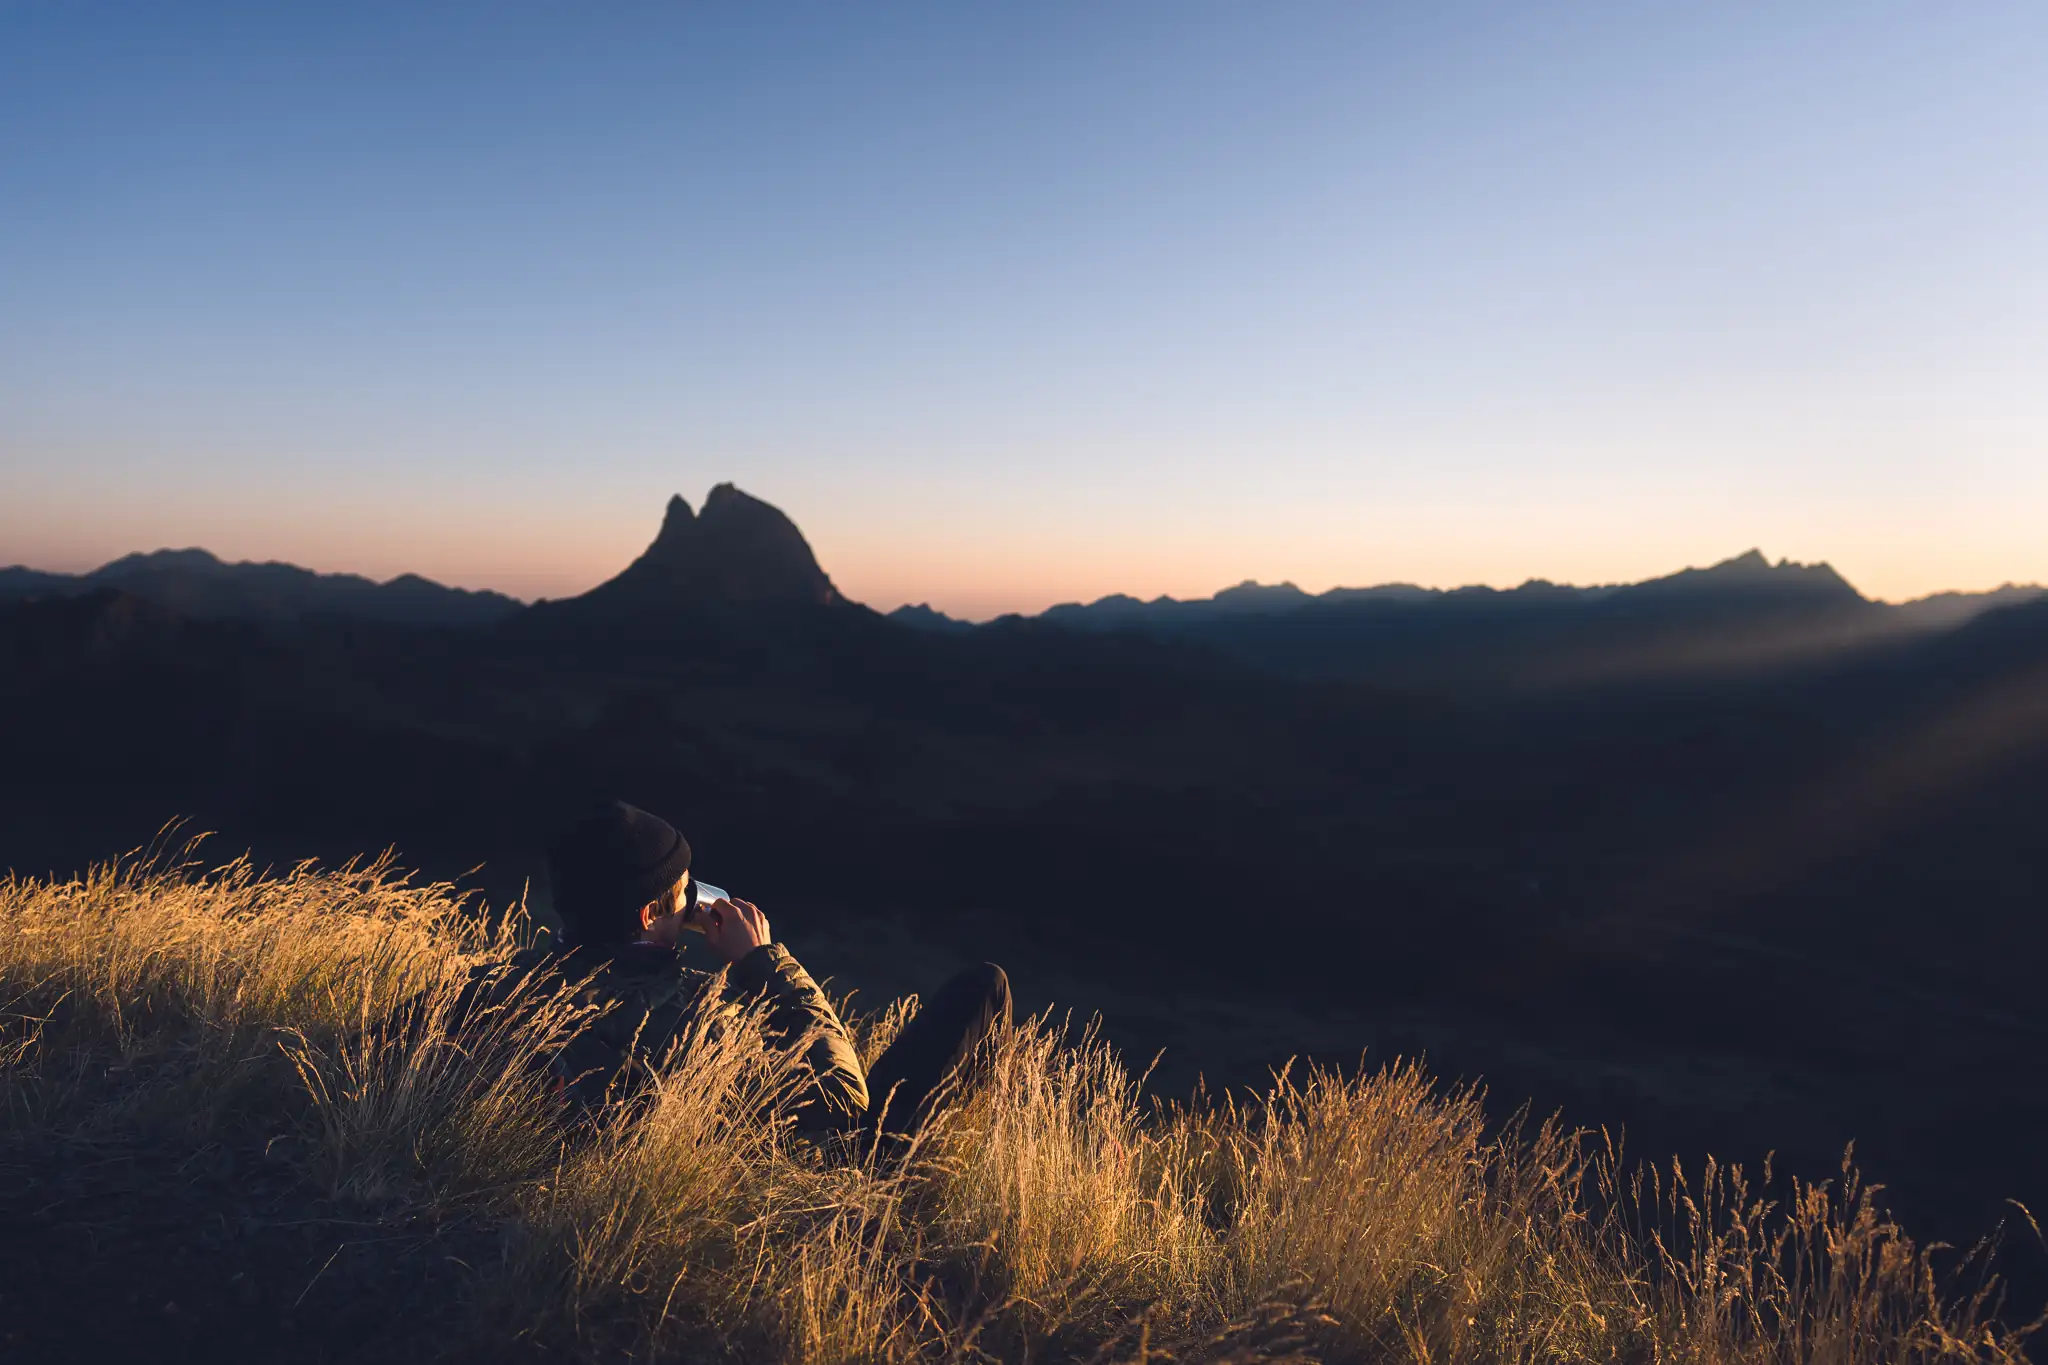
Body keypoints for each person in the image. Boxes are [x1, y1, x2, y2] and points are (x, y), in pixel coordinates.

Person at [486, 800, 1011, 1139]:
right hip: (825, 1181)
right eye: (684, 887)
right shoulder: (690, 1019)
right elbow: (845, 1100)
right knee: (984, 987)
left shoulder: (502, 988)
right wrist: (763, 961)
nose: (695, 896)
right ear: (648, 915)